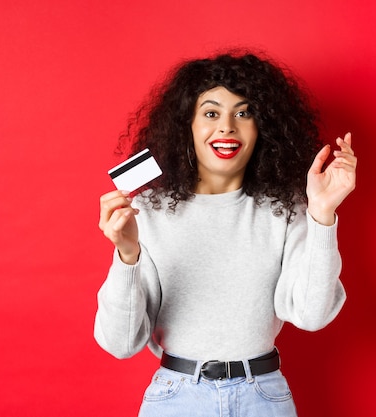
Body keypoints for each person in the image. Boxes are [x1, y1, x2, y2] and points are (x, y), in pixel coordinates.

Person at [94, 51, 357, 417]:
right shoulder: (148, 211)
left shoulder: (286, 208)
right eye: (212, 113)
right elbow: (121, 343)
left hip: (263, 397)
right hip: (177, 398)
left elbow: (312, 315)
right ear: (187, 124)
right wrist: (127, 256)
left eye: (244, 112)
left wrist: (322, 214)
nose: (227, 127)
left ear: (262, 126)